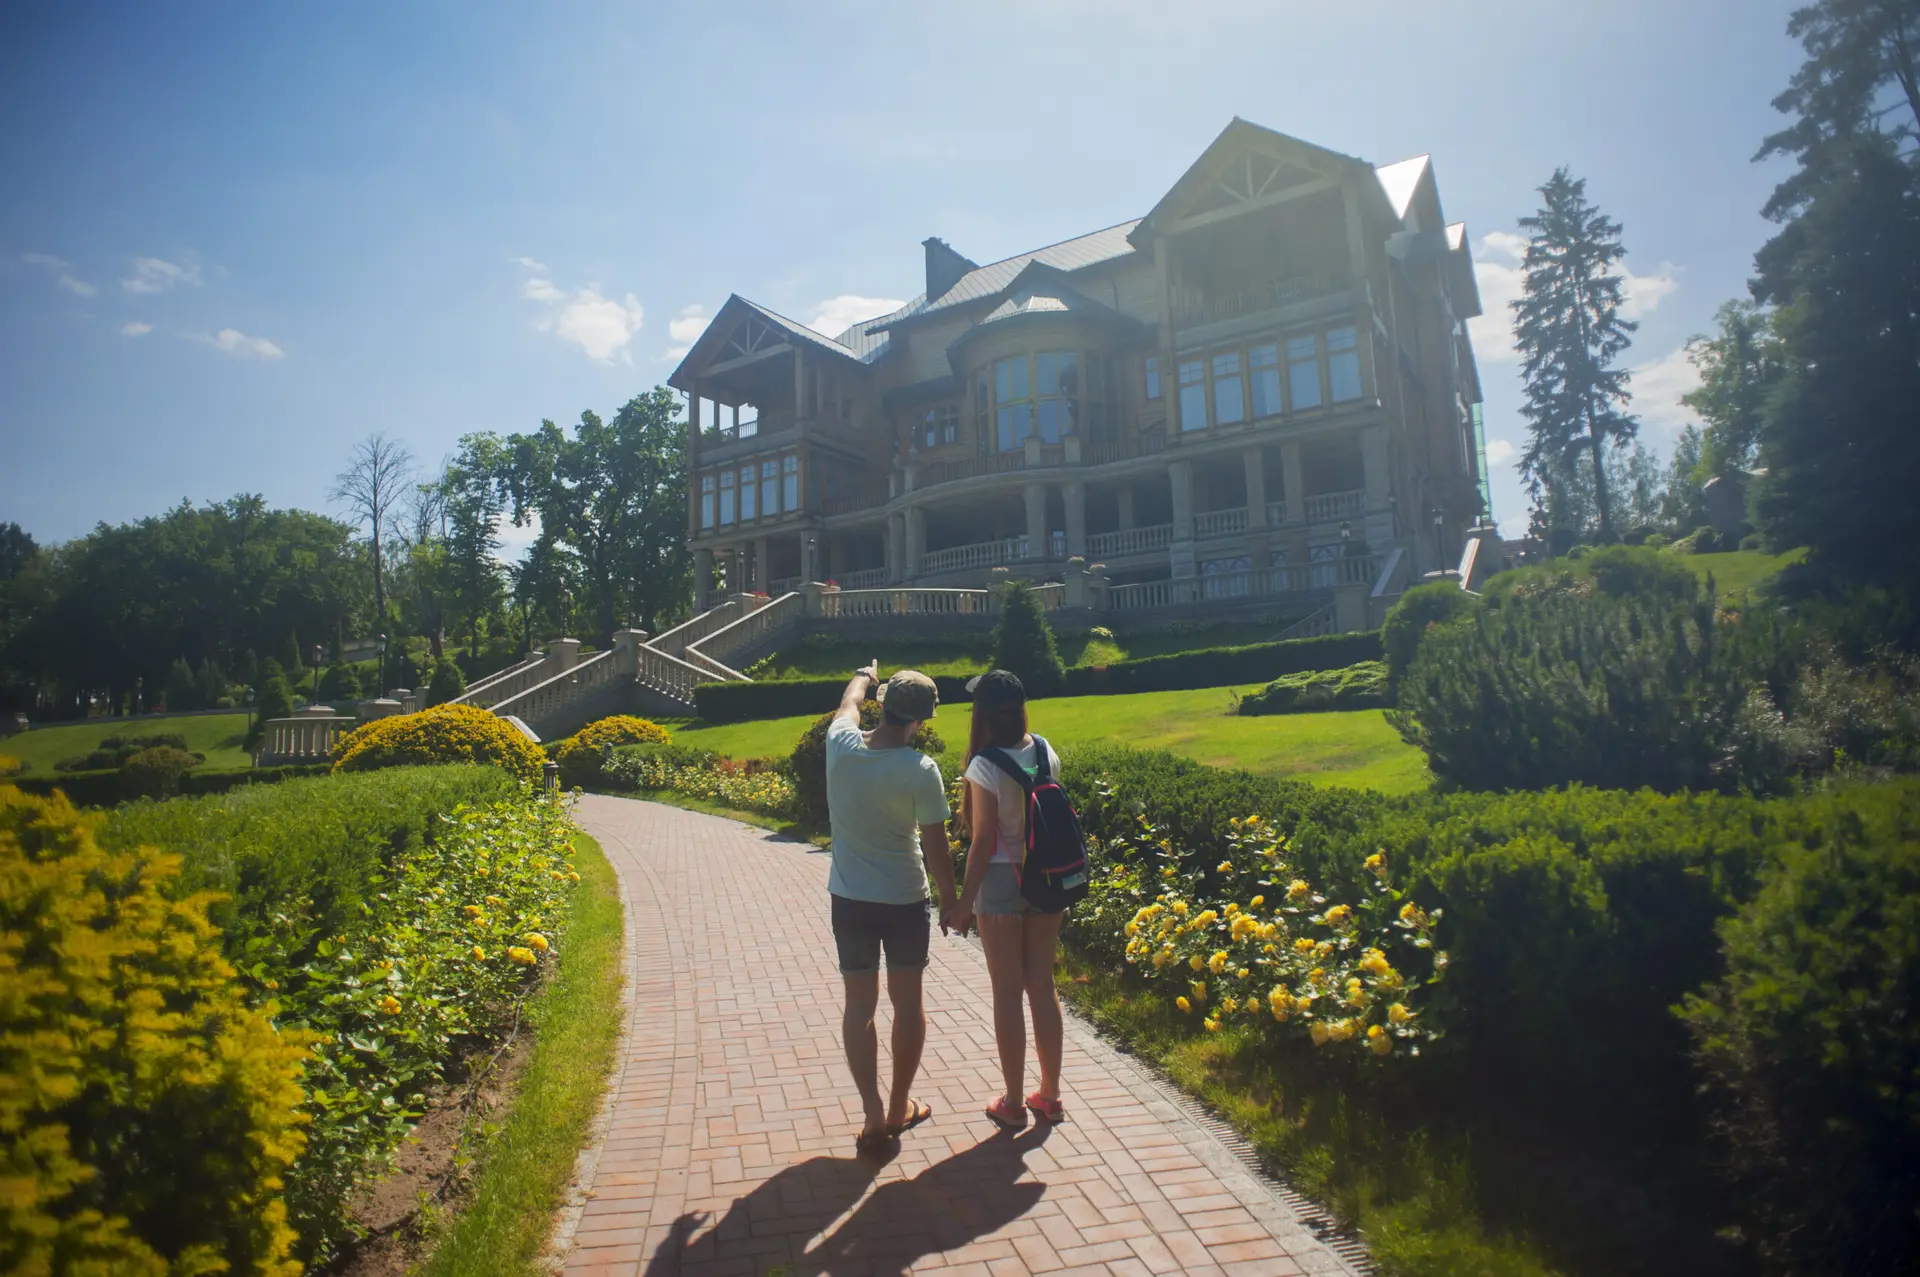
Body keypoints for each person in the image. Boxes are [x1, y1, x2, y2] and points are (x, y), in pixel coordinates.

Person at [824, 661, 957, 1152]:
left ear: (883, 706)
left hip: (851, 899)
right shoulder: (920, 770)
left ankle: (873, 1115)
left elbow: (848, 704)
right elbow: (937, 847)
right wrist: (952, 902)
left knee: (859, 1006)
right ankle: (901, 1103)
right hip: (904, 900)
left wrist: (862, 675)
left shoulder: (841, 746)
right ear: (922, 720)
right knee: (908, 1005)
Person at [945, 669, 1068, 1129]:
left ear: (982, 716)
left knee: (1006, 991)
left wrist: (962, 902)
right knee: (1043, 985)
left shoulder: (984, 766)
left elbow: (982, 842)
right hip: (1046, 878)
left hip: (999, 883)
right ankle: (1050, 1096)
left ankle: (1014, 1100)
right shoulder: (1044, 749)